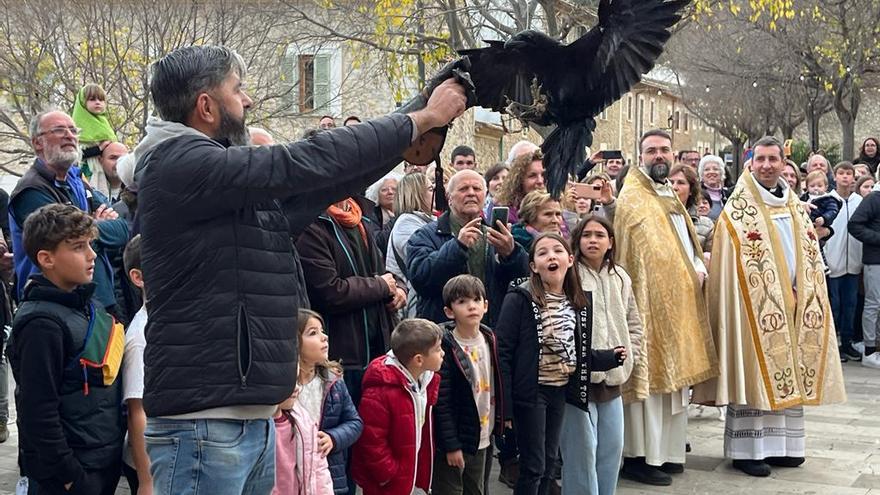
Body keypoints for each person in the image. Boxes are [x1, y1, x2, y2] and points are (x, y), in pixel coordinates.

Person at [136, 45, 466, 494]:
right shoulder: (180, 163)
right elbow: (303, 162)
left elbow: (327, 180)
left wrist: (417, 116)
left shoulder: (218, 183)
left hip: (247, 419)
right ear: (206, 106)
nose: (248, 101)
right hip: (203, 429)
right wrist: (419, 121)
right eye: (239, 90)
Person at [694, 136, 846, 477]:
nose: (766, 165)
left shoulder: (793, 204)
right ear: (751, 163)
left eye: (773, 159)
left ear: (783, 163)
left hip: (795, 302)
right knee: (756, 372)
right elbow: (727, 268)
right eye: (760, 159)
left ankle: (785, 446)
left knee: (790, 370)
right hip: (752, 308)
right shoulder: (738, 210)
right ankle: (748, 450)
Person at [614, 129, 717, 487]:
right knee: (649, 388)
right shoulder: (632, 200)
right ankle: (640, 456)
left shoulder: (667, 193)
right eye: (652, 150)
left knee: (672, 389)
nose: (659, 156)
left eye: (664, 150)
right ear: (640, 155)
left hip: (678, 304)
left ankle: (669, 453)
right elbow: (636, 256)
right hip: (647, 307)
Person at [7, 204, 125, 495]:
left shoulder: (85, 305)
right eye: (78, 247)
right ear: (46, 259)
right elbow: (38, 409)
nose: (92, 255)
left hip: (100, 460)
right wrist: (68, 474)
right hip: (69, 474)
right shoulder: (41, 323)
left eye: (90, 245)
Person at [495, 233, 625, 495]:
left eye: (557, 251)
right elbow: (504, 353)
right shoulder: (520, 298)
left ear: (570, 260)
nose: (551, 256)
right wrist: (505, 408)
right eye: (542, 253)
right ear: (533, 266)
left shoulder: (576, 301)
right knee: (533, 464)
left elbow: (576, 352)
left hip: (560, 390)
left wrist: (609, 358)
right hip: (532, 393)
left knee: (550, 463)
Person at [10, 110, 129, 313]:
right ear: (37, 142)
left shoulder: (77, 180)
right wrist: (92, 225)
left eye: (73, 130)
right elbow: (67, 241)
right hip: (55, 306)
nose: (69, 135)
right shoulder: (31, 190)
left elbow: (121, 229)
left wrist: (90, 227)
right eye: (59, 130)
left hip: (95, 300)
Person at [560, 216, 644, 495]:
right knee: (581, 454)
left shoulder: (620, 276)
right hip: (581, 378)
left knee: (611, 451)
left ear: (610, 243)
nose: (593, 240)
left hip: (614, 379)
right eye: (587, 235)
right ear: (577, 241)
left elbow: (633, 320)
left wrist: (631, 351)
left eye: (599, 235)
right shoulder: (570, 275)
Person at [296, 195, 406, 405]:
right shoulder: (312, 225)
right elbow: (330, 291)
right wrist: (381, 286)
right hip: (343, 358)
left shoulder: (362, 219)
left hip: (377, 349)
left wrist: (398, 289)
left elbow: (384, 272)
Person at [408, 169, 528, 327]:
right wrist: (458, 247)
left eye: (477, 189)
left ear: (485, 197)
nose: (471, 193)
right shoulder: (425, 234)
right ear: (449, 198)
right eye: (463, 189)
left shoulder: (497, 235)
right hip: (444, 333)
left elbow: (523, 280)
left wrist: (511, 254)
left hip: (491, 332)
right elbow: (420, 278)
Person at [274, 309, 363, 494]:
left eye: (322, 331)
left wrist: (333, 437)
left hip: (329, 477)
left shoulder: (333, 381)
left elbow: (355, 422)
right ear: (293, 342)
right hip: (290, 476)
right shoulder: (284, 387)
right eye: (313, 333)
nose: (324, 337)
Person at [351, 318, 444, 495]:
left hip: (411, 475)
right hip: (387, 484)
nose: (443, 353)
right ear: (418, 359)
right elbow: (371, 440)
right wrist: (388, 474)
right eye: (438, 349)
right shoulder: (381, 389)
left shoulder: (426, 379)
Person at [433, 275, 501, 495]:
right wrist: (451, 445)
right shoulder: (445, 345)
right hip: (457, 436)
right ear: (449, 312)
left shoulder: (489, 338)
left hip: (482, 432)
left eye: (476, 300)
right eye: (462, 301)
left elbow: (499, 380)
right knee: (450, 489)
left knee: (477, 488)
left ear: (486, 305)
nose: (471, 306)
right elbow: (442, 402)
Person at [120, 235, 152, 494]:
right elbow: (136, 411)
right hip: (150, 460)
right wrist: (146, 480)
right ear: (138, 277)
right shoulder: (141, 335)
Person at [825, 162, 864, 362]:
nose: (845, 177)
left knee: (851, 304)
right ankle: (835, 342)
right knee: (835, 304)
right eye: (841, 173)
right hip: (834, 262)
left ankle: (847, 342)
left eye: (849, 174)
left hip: (854, 262)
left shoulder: (860, 201)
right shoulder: (829, 200)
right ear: (835, 176)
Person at [386, 172, 434, 318]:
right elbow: (424, 261)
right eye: (430, 189)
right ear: (417, 194)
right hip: (415, 305)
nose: (436, 192)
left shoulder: (426, 219)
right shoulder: (407, 223)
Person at [850, 176, 880, 368]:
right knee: (873, 304)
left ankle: (876, 348)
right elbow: (854, 225)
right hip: (875, 260)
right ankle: (869, 352)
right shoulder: (873, 199)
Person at [71, 84, 116, 181]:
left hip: (106, 171)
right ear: (83, 102)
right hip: (86, 173)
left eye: (101, 100)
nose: (97, 103)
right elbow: (75, 155)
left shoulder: (104, 123)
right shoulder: (76, 127)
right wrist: (98, 149)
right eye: (92, 99)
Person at [492, 150, 546, 224]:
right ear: (520, 181)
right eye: (532, 176)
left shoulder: (559, 212)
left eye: (544, 175)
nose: (540, 181)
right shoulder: (508, 215)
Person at [669, 165, 714, 254]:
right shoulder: (655, 219)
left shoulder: (706, 225)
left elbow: (713, 259)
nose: (674, 187)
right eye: (670, 182)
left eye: (681, 183)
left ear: (691, 190)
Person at [698, 155, 728, 220]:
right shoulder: (696, 194)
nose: (711, 172)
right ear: (702, 175)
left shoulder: (728, 194)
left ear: (721, 173)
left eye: (715, 169)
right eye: (707, 169)